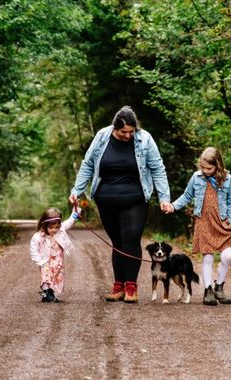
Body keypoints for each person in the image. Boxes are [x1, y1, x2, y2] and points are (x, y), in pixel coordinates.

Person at [68, 105, 171, 303]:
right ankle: (119, 287)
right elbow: (88, 164)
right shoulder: (102, 136)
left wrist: (164, 198)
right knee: (117, 242)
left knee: (130, 239)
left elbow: (157, 168)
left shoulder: (145, 139)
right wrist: (76, 190)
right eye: (123, 132)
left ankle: (131, 287)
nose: (127, 135)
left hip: (135, 199)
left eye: (131, 131)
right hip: (105, 199)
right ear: (115, 127)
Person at [164, 147, 231, 306]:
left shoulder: (227, 178)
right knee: (208, 257)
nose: (205, 171)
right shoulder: (196, 177)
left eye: (209, 168)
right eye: (202, 167)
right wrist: (173, 206)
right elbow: (186, 196)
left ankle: (219, 286)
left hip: (223, 222)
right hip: (203, 222)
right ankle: (208, 291)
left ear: (217, 165)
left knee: (227, 257)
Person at [30, 207, 81, 303]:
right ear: (44, 225)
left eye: (57, 227)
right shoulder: (38, 237)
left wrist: (75, 212)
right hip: (45, 261)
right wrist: (40, 261)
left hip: (58, 261)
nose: (54, 230)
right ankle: (47, 293)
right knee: (46, 276)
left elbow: (70, 222)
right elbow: (33, 250)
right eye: (51, 227)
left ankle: (48, 294)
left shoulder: (60, 230)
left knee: (56, 277)